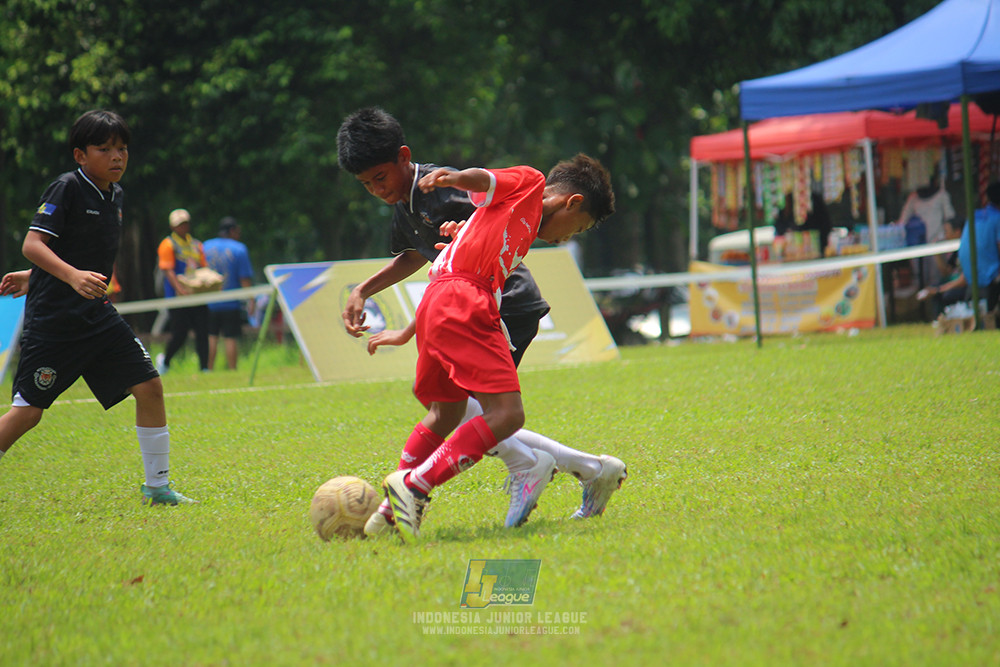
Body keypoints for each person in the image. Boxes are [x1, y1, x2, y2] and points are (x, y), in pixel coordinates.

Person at [337, 108, 626, 536]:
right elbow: (487, 181)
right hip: (468, 302)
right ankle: (416, 486)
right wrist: (455, 177)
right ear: (572, 203)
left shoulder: (515, 225)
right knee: (504, 413)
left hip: (447, 300)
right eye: (576, 228)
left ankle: (389, 512)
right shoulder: (526, 184)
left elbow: (447, 263)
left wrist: (413, 327)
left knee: (448, 410)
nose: (567, 238)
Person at [0, 109, 194, 505]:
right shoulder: (66, 188)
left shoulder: (114, 195)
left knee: (150, 387)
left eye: (122, 148)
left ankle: (157, 489)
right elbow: (33, 245)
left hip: (97, 316)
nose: (117, 157)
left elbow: (79, 252)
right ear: (80, 155)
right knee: (29, 413)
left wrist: (34, 276)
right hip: (56, 322)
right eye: (104, 149)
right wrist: (62, 276)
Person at [917, 181, 1000, 325]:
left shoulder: (974, 216)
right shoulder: (997, 218)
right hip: (989, 279)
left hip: (972, 281)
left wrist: (936, 290)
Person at [156, 208, 210, 373]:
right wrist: (180, 289)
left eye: (185, 223)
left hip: (196, 295)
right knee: (180, 334)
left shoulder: (196, 245)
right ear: (173, 226)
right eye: (180, 224)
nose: (183, 227)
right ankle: (165, 361)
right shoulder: (168, 244)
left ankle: (204, 368)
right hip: (177, 297)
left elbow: (202, 267)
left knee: (202, 331)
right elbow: (168, 271)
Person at [203, 216, 254, 370]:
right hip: (230, 302)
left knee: (211, 336)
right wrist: (251, 300)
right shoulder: (239, 249)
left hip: (209, 301)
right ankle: (232, 369)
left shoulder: (205, 247)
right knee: (230, 337)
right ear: (232, 231)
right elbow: (244, 278)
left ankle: (208, 369)